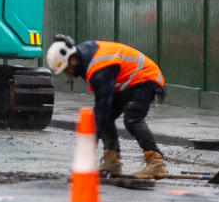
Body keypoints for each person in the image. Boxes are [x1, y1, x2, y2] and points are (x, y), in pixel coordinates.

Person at [45, 35, 168, 179]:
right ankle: (112, 161)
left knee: (132, 119)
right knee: (105, 118)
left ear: (72, 59)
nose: (68, 74)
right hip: (127, 82)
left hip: (145, 79)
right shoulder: (84, 56)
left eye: (67, 69)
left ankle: (156, 163)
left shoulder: (99, 68)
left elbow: (101, 108)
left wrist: (90, 146)